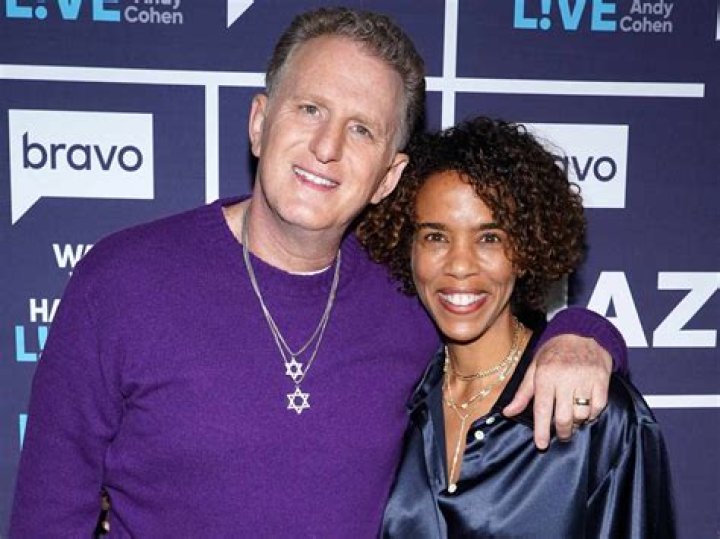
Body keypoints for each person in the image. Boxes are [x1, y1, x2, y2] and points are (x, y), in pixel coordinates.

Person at [10, 8, 626, 537]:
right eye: (310, 109)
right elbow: (47, 518)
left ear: (388, 177)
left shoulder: (409, 292)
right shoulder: (120, 283)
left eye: (362, 129)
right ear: (259, 122)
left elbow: (511, 335)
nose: (327, 148)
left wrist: (586, 335)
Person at [356, 117, 675, 538]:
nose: (460, 266)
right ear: (408, 248)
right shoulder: (391, 400)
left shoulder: (596, 416)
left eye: (489, 238)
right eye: (436, 237)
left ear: (525, 249)